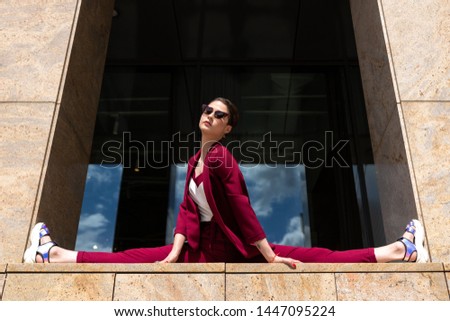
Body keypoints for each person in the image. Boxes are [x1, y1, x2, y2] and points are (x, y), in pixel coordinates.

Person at [23, 97, 429, 266]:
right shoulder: (196, 157)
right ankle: (53, 256)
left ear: (228, 127)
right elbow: (185, 211)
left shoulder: (219, 157)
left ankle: (399, 250)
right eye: (207, 109)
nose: (210, 116)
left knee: (314, 256)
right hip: (202, 245)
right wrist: (171, 256)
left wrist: (269, 257)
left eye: (219, 115)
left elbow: (240, 207)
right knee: (135, 257)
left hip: (230, 241)